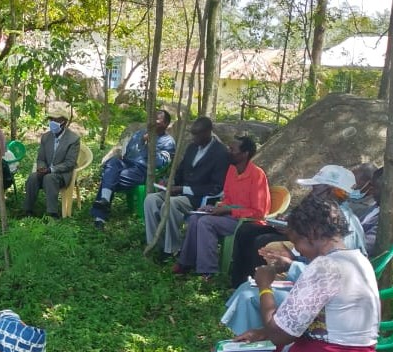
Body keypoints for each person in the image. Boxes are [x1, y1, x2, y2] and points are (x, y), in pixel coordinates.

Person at [184, 196, 380, 352]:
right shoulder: (357, 259)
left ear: (313, 233)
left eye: (296, 242)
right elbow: (314, 321)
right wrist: (261, 332)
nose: (297, 250)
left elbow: (280, 333)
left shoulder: (325, 266)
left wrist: (265, 287)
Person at [222, 164, 368, 334]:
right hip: (329, 306)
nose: (312, 192)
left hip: (329, 312)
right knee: (247, 289)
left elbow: (280, 334)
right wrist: (290, 263)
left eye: (316, 188)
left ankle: (249, 347)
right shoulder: (334, 224)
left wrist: (266, 286)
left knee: (249, 295)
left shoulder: (339, 229)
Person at [229, 163, 369, 288]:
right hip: (313, 258)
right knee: (248, 229)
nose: (313, 189)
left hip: (327, 279)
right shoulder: (322, 206)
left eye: (317, 186)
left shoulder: (340, 219)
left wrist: (293, 261)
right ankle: (239, 283)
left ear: (331, 190)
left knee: (263, 241)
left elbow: (331, 266)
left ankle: (258, 284)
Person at [174, 136, 270, 278]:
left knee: (206, 223)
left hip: (246, 222)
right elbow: (228, 198)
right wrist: (214, 207)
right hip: (229, 215)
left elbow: (259, 212)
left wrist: (230, 209)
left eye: (232, 150)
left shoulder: (257, 175)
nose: (228, 152)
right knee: (195, 218)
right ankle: (186, 263)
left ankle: (208, 271)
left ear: (245, 154)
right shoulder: (231, 170)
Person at [144, 116, 229, 255]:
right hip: (180, 193)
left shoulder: (220, 153)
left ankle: (172, 249)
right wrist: (170, 182)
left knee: (170, 204)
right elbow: (181, 171)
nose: (194, 138)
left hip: (199, 198)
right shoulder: (192, 147)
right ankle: (155, 242)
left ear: (208, 132)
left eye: (197, 134)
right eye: (192, 134)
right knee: (150, 200)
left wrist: (184, 189)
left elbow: (217, 187)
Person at [91, 110, 176, 230]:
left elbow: (160, 163)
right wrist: (141, 140)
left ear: (166, 124)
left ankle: (100, 217)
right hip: (127, 163)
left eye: (157, 122)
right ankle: (104, 199)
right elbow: (128, 151)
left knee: (109, 176)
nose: (153, 123)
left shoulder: (168, 141)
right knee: (113, 162)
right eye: (151, 120)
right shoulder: (140, 133)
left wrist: (150, 144)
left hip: (143, 170)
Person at [23, 103, 81, 219]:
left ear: (63, 122)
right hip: (46, 171)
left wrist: (51, 170)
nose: (52, 122)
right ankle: (27, 210)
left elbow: (70, 163)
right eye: (51, 119)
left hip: (62, 174)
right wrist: (41, 167)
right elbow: (41, 158)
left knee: (50, 177)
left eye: (56, 120)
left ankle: (52, 213)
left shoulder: (73, 139)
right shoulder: (46, 137)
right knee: (33, 178)